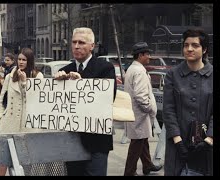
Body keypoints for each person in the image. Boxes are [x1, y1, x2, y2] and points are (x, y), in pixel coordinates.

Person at [54, 27, 117, 176]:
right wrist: (56, 85)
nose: (76, 46)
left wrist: (82, 83)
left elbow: (107, 99)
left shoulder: (105, 68)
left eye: (81, 42)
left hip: (97, 142)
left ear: (92, 46)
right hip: (72, 141)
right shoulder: (65, 70)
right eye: (74, 42)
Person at [163, 29, 213, 176]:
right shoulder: (173, 75)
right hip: (178, 146)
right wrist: (177, 141)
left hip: (207, 148)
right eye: (186, 45)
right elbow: (168, 110)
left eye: (195, 45)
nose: (189, 49)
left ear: (204, 49)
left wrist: (209, 139)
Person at [0, 47, 44, 176]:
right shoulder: (11, 76)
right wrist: (1, 116)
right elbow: (1, 99)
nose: (21, 62)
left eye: (24, 60)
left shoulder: (37, 75)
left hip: (26, 122)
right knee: (3, 158)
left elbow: (34, 99)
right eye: (19, 59)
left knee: (25, 159)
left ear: (30, 61)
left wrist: (24, 82)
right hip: (9, 121)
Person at [123, 42, 162, 176]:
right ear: (140, 55)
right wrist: (150, 108)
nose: (149, 57)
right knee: (137, 145)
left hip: (135, 113)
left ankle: (147, 166)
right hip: (139, 115)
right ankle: (129, 172)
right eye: (147, 54)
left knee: (142, 141)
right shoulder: (139, 71)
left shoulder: (132, 69)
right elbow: (140, 96)